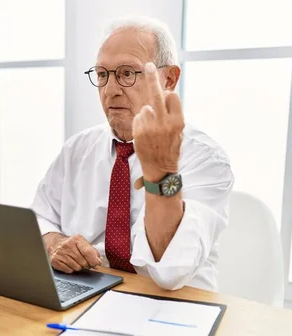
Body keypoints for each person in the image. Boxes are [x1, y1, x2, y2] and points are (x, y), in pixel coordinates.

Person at [31, 16, 234, 291]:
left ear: (169, 79)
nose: (110, 90)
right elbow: (39, 216)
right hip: (88, 293)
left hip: (174, 308)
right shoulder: (77, 150)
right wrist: (55, 242)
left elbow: (170, 272)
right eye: (102, 74)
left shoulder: (206, 159)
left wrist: (161, 172)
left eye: (127, 73)